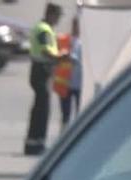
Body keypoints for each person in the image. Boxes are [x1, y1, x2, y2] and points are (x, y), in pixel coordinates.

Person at [24, 2, 66, 156]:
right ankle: (37, 143)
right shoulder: (44, 30)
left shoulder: (42, 28)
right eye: (57, 16)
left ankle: (32, 143)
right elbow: (46, 51)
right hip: (42, 70)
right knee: (42, 109)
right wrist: (61, 57)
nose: (58, 20)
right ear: (50, 15)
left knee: (39, 108)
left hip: (40, 70)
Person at [54, 17, 83, 129]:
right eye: (75, 25)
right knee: (65, 115)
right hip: (66, 83)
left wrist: (68, 56)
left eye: (78, 25)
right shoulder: (65, 40)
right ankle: (64, 134)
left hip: (80, 84)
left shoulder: (83, 42)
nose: (76, 27)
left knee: (81, 115)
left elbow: (76, 59)